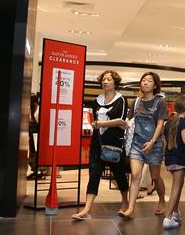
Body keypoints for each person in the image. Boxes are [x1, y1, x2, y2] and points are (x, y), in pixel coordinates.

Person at [72, 70, 129, 220]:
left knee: (119, 174)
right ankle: (87, 209)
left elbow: (121, 121)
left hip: (114, 144)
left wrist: (100, 123)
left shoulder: (121, 100)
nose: (105, 82)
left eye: (109, 79)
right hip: (97, 142)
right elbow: (94, 118)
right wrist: (97, 124)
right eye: (103, 79)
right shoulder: (97, 100)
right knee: (94, 174)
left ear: (115, 82)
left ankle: (125, 201)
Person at [119, 72, 168, 219]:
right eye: (143, 80)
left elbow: (160, 124)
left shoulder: (160, 102)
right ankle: (131, 208)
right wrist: (124, 124)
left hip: (154, 145)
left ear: (155, 85)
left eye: (149, 81)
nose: (145, 83)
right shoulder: (136, 102)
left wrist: (152, 142)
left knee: (155, 177)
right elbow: (128, 120)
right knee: (135, 176)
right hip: (137, 144)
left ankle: (161, 200)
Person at [162, 95, 185, 229]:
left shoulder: (168, 123)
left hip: (169, 158)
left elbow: (164, 142)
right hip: (180, 158)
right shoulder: (184, 122)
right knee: (176, 187)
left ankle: (175, 212)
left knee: (178, 185)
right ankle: (168, 217)